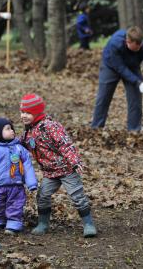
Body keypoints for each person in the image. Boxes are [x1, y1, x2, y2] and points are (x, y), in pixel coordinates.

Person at [19, 94, 97, 238]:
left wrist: (75, 161)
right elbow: (21, 143)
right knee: (42, 195)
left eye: (28, 113)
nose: (24, 115)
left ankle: (88, 224)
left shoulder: (50, 126)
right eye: (22, 112)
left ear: (37, 113)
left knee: (77, 196)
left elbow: (65, 144)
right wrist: (5, 144)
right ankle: (43, 223)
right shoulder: (28, 130)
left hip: (67, 169)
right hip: (50, 172)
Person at [91, 26, 143, 131]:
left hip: (132, 66)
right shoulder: (115, 43)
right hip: (111, 66)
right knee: (104, 96)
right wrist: (138, 82)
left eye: (139, 47)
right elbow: (121, 69)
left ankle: (134, 130)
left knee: (135, 99)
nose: (138, 50)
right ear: (127, 42)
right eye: (135, 48)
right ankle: (96, 128)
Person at [0, 117, 38, 235]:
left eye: (12, 128)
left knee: (16, 204)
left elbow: (27, 165)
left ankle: (13, 224)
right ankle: (0, 220)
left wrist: (31, 183)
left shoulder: (18, 148)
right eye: (7, 129)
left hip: (16, 185)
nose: (12, 131)